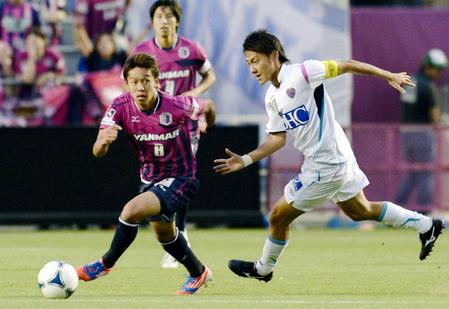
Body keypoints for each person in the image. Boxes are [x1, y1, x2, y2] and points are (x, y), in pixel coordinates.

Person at [213, 30, 444, 283]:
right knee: (360, 210)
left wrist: (387, 75)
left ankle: (263, 268)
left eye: (256, 61)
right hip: (334, 158)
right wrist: (246, 159)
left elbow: (346, 65)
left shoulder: (302, 72)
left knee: (277, 216)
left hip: (328, 164)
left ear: (274, 55)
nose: (252, 68)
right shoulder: (272, 97)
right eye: (248, 64)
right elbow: (277, 139)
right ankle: (426, 225)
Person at [76, 53, 216, 295]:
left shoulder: (177, 105)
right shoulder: (119, 106)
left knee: (131, 211)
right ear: (127, 84)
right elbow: (97, 151)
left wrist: (207, 123)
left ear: (157, 82)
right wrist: (104, 142)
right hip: (150, 178)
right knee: (165, 235)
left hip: (182, 177)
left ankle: (105, 263)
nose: (140, 87)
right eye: (134, 82)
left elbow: (209, 106)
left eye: (146, 81)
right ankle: (198, 272)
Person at [130, 0, 216, 269]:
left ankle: (181, 233)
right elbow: (129, 83)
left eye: (168, 16)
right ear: (152, 21)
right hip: (154, 126)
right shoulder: (142, 52)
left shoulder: (191, 49)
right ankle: (172, 236)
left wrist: (192, 97)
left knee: (181, 175)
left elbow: (210, 76)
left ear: (177, 20)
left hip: (184, 123)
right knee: (158, 177)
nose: (164, 20)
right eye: (158, 16)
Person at [395, 48, 448, 212]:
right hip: (423, 134)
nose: (438, 73)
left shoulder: (410, 81)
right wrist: (443, 119)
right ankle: (425, 212)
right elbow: (435, 116)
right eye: (437, 69)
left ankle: (394, 212)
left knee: (412, 174)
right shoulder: (427, 86)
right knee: (426, 173)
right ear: (428, 66)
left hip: (406, 134)